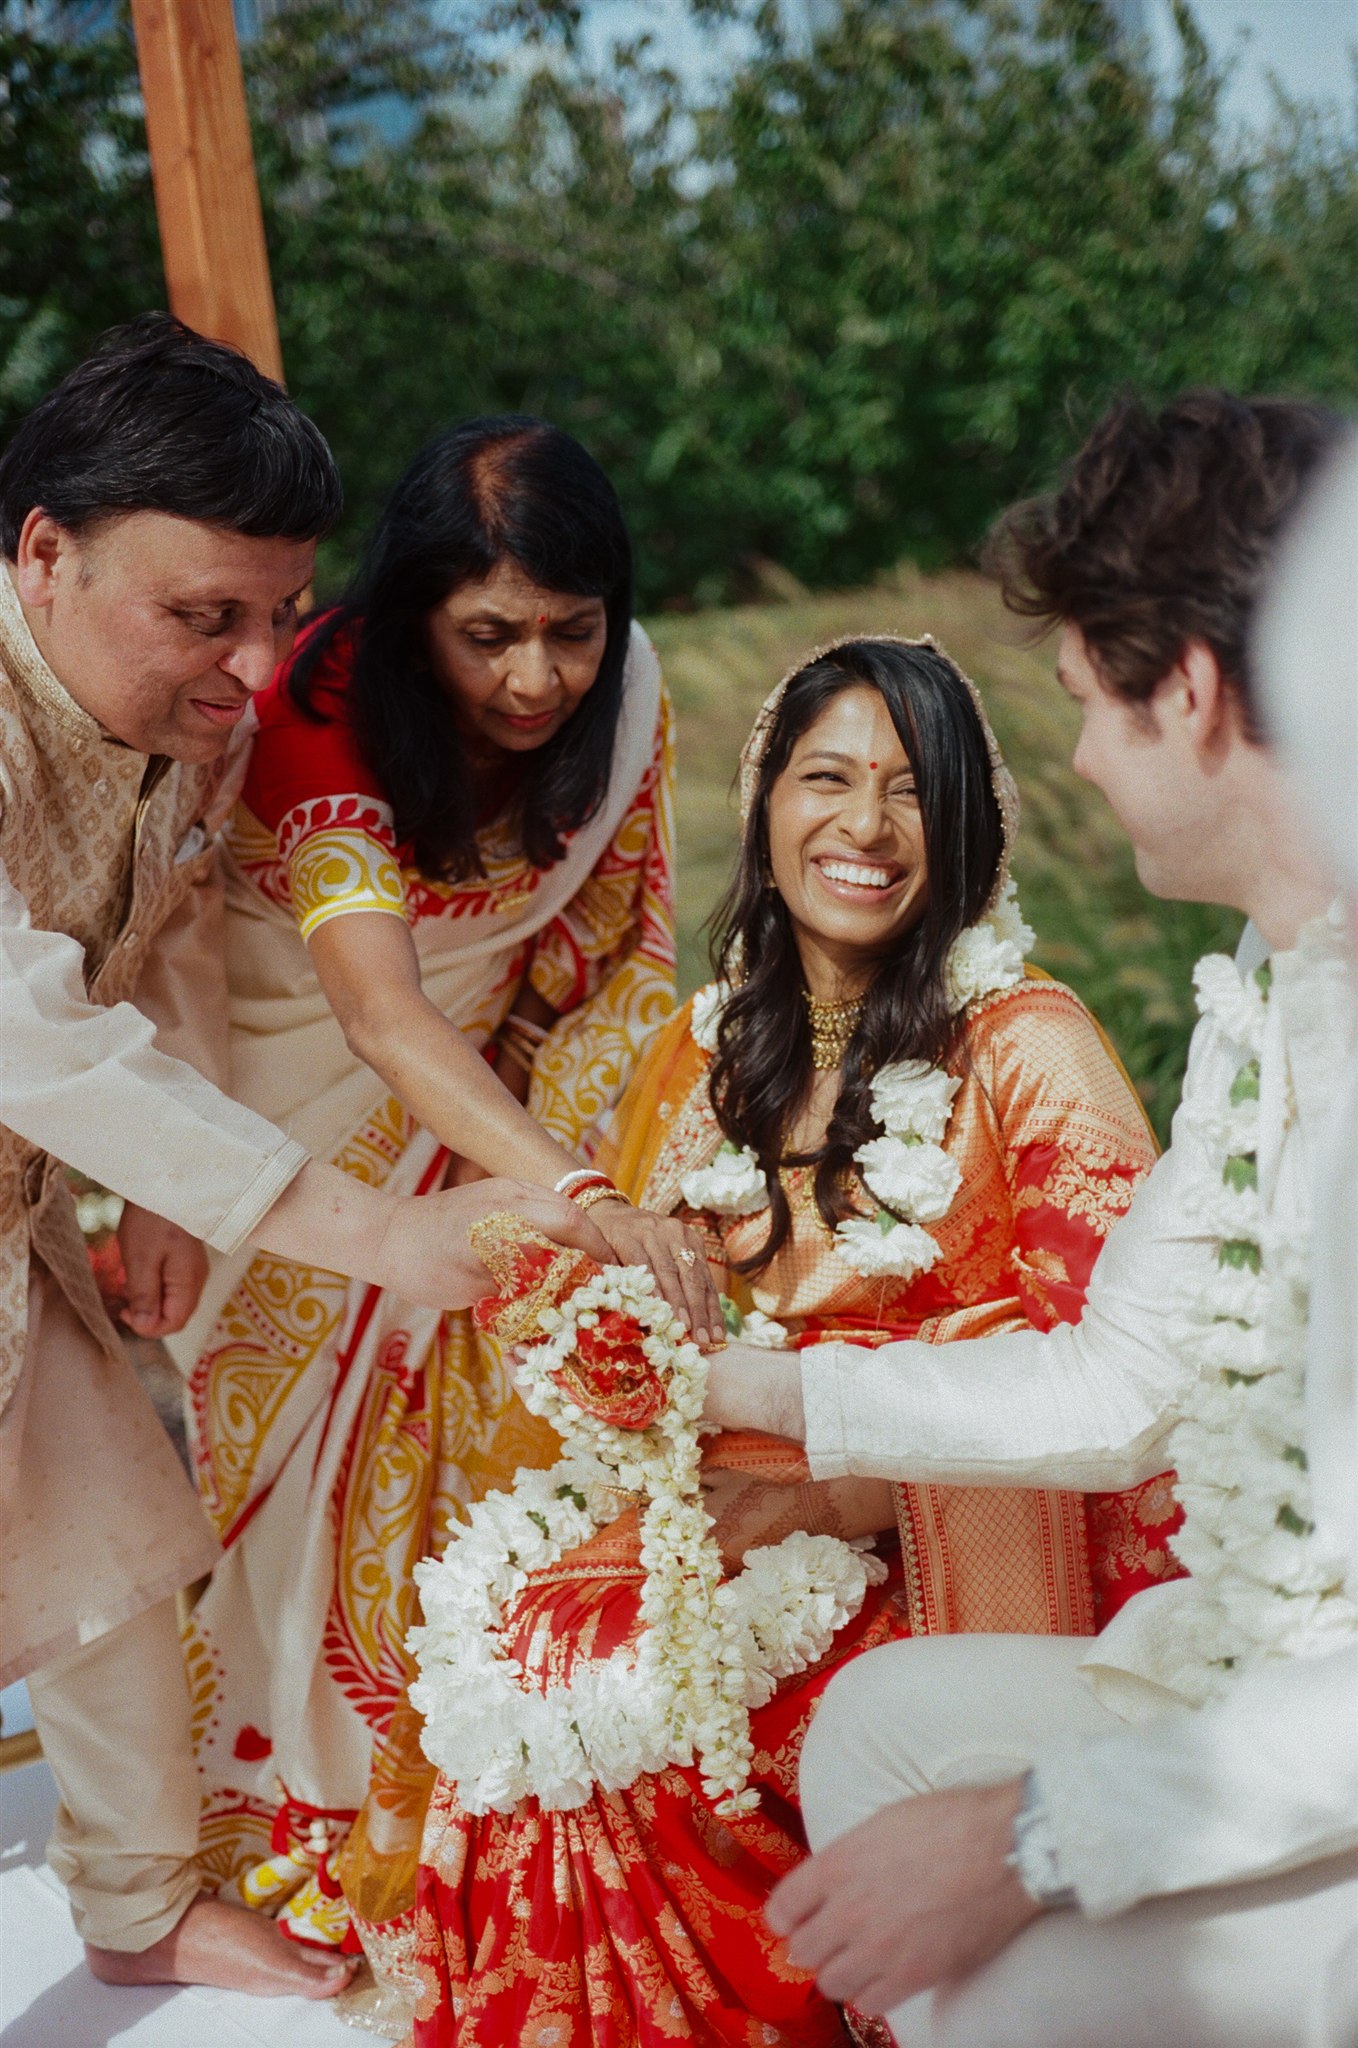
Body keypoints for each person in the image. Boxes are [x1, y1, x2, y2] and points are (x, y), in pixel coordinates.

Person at [408, 633, 1180, 2046]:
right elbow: (662, 1308)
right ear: (765, 806)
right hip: (734, 1504)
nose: (865, 828)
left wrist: (827, 1495)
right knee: (525, 1640)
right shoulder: (710, 1050)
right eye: (825, 778)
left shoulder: (1025, 1046)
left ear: (964, 829)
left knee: (635, 1714)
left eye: (907, 790)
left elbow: (1123, 1394)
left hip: (944, 1546)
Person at [705, 395, 1358, 2046]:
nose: (1063, 759)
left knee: (995, 1960)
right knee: (886, 1725)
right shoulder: (1280, 987)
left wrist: (1037, 1836)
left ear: (1190, 694)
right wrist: (759, 1398)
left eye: (1079, 702)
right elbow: (1121, 1374)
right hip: (1261, 1660)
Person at [0, 317, 614, 2001]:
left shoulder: (184, 719)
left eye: (279, 617)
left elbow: (173, 942)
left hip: (25, 1210)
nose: (256, 672)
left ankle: (134, 1912)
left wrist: (155, 1187)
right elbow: (30, 1026)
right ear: (43, 553)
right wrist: (363, 1231)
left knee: (118, 1548)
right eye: (206, 616)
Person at [164, 417, 712, 1993]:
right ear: (414, 620)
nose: (538, 679)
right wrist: (585, 1190)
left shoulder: (631, 704)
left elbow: (622, 947)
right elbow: (381, 1017)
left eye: (570, 630)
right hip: (289, 1124)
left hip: (509, 1113)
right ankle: (285, 1823)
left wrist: (578, 1141)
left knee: (512, 1401)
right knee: (284, 1480)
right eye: (489, 636)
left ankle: (466, 1795)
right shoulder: (322, 709)